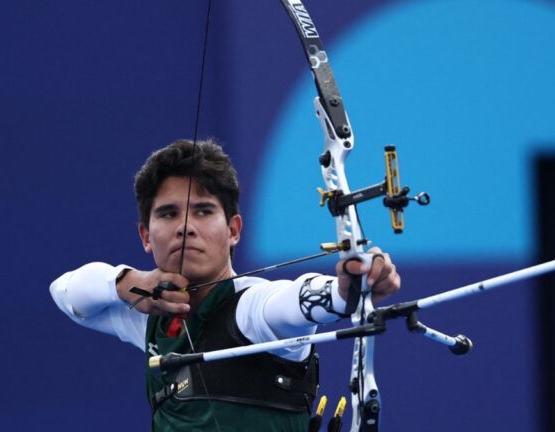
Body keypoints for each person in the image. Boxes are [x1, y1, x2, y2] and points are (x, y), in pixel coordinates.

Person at [50, 139, 400, 431]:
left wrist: (347, 289)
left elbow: (296, 299)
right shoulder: (148, 318)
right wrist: (129, 283)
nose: (185, 227)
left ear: (233, 230)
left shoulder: (252, 310)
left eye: (203, 211)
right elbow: (65, 292)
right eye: (168, 214)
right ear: (145, 235)